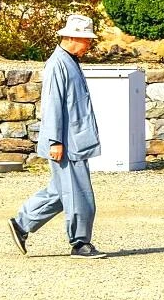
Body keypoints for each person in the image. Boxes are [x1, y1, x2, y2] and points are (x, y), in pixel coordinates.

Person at [7, 14, 107, 259]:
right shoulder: (58, 64)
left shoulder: (69, 61)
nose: (89, 45)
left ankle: (22, 224)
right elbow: (52, 105)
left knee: (61, 191)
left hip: (72, 139)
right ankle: (80, 243)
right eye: (86, 40)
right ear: (71, 37)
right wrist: (55, 141)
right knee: (79, 194)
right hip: (67, 142)